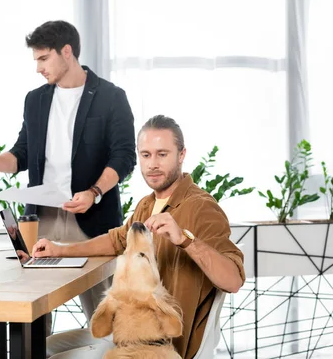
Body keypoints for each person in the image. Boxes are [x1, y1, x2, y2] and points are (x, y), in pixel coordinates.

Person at [0, 20, 137, 326]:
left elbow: (124, 156)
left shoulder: (111, 97)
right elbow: (22, 155)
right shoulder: (36, 100)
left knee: (107, 316)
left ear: (66, 52)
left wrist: (94, 193)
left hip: (91, 219)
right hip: (42, 221)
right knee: (35, 315)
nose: (38, 68)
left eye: (43, 58)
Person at [32, 115, 245, 359]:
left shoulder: (201, 208)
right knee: (40, 348)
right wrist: (59, 250)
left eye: (162, 154)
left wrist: (184, 239)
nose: (153, 164)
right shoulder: (147, 204)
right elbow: (117, 240)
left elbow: (233, 281)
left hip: (162, 345)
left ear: (182, 154)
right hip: (129, 333)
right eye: (146, 155)